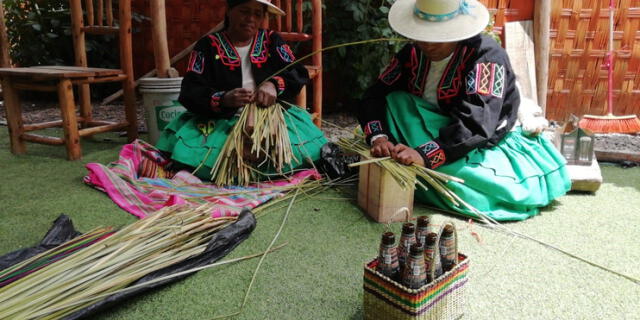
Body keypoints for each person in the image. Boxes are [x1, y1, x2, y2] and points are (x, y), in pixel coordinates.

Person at [358, 0, 571, 221]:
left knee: (460, 186)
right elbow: (374, 95)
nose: (427, 44)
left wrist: (423, 155)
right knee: (396, 100)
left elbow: (477, 125)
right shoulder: (412, 53)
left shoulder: (486, 58)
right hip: (434, 122)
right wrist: (379, 138)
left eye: (437, 36)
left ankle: (433, 174)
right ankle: (414, 162)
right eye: (422, 34)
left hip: (476, 137)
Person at [156, 0, 327, 181]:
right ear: (229, 11)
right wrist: (222, 99)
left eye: (258, 14)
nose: (250, 19)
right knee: (203, 158)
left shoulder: (271, 40)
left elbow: (297, 72)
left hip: (269, 116)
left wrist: (274, 85)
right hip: (221, 119)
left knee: (307, 152)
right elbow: (190, 90)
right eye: (244, 11)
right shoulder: (207, 45)